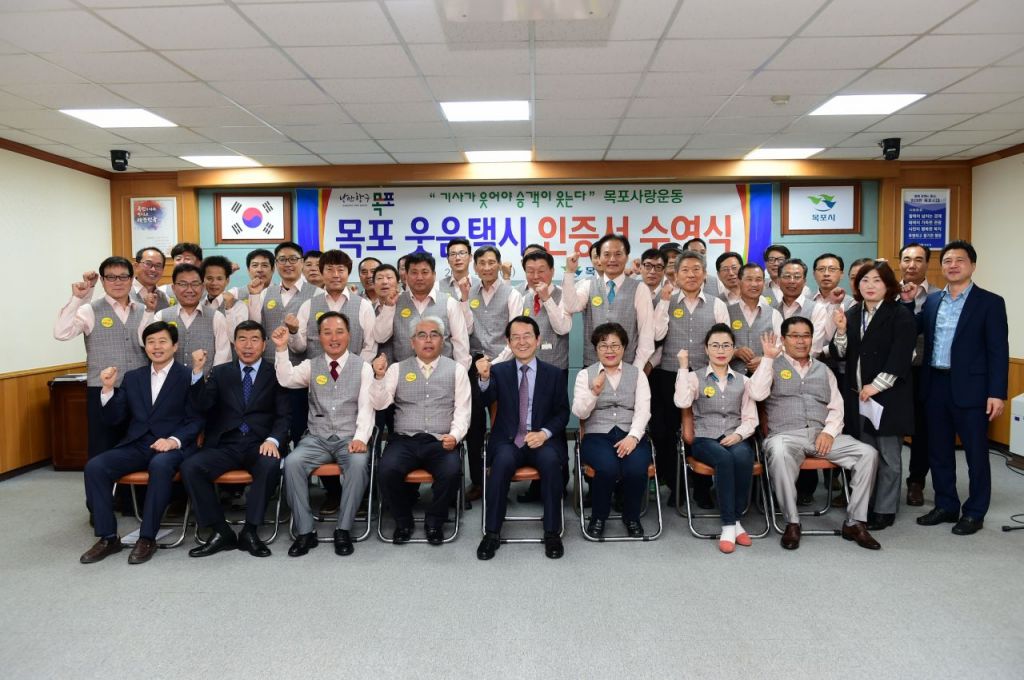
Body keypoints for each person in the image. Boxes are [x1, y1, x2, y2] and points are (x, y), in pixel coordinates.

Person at [749, 318, 881, 551]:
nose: (801, 341)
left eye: (806, 335)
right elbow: (757, 394)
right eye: (795, 336)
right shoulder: (771, 364)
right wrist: (768, 358)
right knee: (778, 452)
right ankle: (792, 522)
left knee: (868, 453)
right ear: (783, 339)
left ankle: (855, 522)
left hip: (823, 435)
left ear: (812, 339)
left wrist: (829, 432)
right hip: (786, 435)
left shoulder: (824, 370)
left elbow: (836, 407)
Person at [79, 321, 203, 565]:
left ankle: (147, 538)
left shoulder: (189, 376)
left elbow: (197, 419)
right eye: (151, 342)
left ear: (175, 346)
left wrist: (173, 441)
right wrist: (107, 389)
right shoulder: (133, 377)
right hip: (138, 444)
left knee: (160, 465)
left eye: (162, 341)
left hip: (172, 445)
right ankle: (108, 537)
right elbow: (114, 419)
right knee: (95, 466)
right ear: (144, 347)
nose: (156, 347)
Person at [909, 240, 1008, 535]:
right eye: (947, 261)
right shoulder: (932, 301)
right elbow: (911, 330)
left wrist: (997, 392)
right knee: (938, 451)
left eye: (959, 260)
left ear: (972, 266)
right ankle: (946, 505)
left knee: (976, 455)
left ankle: (975, 512)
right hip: (935, 384)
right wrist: (906, 301)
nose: (953, 265)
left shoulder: (990, 302)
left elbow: (998, 351)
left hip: (973, 390)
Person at [180, 321, 291, 558]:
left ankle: (250, 531)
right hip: (226, 444)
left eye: (254, 339)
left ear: (264, 344)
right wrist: (197, 372)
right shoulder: (221, 372)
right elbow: (202, 405)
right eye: (242, 339)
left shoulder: (276, 372)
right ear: (234, 344)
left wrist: (273, 440)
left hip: (260, 443)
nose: (248, 345)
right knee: (190, 466)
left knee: (269, 464)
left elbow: (284, 415)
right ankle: (221, 531)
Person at [273, 312, 375, 557]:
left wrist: (361, 438)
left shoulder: (363, 367)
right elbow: (286, 379)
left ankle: (344, 529)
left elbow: (367, 406)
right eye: (327, 333)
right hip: (316, 438)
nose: (334, 338)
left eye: (339, 332)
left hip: (350, 436)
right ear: (319, 337)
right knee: (293, 463)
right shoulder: (311, 365)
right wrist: (281, 348)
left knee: (358, 464)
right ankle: (306, 531)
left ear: (349, 335)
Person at [369, 317, 471, 545]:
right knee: (386, 470)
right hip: (404, 440)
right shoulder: (396, 369)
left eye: (434, 335)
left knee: (452, 471)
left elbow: (463, 410)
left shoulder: (456, 370)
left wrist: (455, 436)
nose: (428, 340)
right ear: (412, 342)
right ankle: (403, 521)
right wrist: (379, 377)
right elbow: (379, 403)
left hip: (440, 440)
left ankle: (435, 522)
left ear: (443, 341)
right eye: (421, 335)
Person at [475, 316, 569, 560]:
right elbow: (485, 400)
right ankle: (491, 533)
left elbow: (562, 413)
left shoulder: (554, 374)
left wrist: (544, 433)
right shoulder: (498, 371)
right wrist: (484, 379)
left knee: (551, 463)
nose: (522, 342)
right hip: (509, 440)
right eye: (515, 337)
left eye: (527, 336)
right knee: (501, 463)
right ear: (508, 342)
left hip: (541, 440)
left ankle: (552, 533)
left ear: (537, 340)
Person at [831, 261, 916, 530]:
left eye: (877, 280)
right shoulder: (853, 312)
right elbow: (840, 354)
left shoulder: (900, 314)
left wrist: (875, 387)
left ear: (888, 285)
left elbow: (901, 357)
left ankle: (885, 509)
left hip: (887, 397)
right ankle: (865, 504)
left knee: (889, 456)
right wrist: (841, 331)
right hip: (858, 397)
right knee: (866, 455)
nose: (870, 285)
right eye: (865, 280)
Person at [651, 249, 728, 507]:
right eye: (685, 270)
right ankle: (676, 486)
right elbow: (656, 334)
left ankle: (702, 488)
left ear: (705, 274)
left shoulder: (717, 304)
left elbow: (724, 341)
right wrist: (664, 303)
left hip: (705, 376)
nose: (691, 274)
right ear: (675, 274)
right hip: (669, 375)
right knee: (665, 432)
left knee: (702, 431)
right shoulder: (666, 299)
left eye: (696, 269)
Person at [674, 324, 758, 553]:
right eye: (715, 345)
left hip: (735, 435)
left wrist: (738, 434)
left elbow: (750, 418)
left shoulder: (744, 380)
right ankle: (729, 525)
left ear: (733, 349)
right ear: (706, 349)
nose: (721, 350)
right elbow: (682, 402)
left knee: (743, 457)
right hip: (704, 438)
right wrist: (683, 367)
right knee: (724, 459)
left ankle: (735, 520)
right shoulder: (694, 377)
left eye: (726, 345)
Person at [54, 257, 148, 459]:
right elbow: (61, 333)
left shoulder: (144, 310)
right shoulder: (89, 309)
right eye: (111, 277)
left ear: (132, 279)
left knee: (139, 448)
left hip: (140, 389)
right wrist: (78, 298)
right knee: (103, 448)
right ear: (103, 281)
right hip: (102, 389)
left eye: (123, 276)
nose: (117, 282)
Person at [572, 322, 653, 538]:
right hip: (597, 435)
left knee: (636, 468)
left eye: (615, 345)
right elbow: (579, 412)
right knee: (607, 468)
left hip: (630, 433)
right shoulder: (585, 375)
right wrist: (594, 392)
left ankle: (632, 517)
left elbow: (643, 410)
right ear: (596, 349)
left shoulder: (638, 374)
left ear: (624, 347)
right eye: (604, 346)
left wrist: (633, 437)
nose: (610, 351)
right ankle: (598, 517)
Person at [464, 246, 524, 501]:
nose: (487, 267)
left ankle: (502, 478)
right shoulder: (468, 292)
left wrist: (495, 364)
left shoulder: (512, 294)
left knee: (503, 425)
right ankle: (478, 481)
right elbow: (465, 329)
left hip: (504, 364)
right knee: (474, 427)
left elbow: (516, 335)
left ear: (499, 265)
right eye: (482, 263)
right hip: (474, 364)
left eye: (491, 262)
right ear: (475, 266)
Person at [562, 234, 657, 369]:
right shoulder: (588, 285)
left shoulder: (640, 289)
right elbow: (571, 307)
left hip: (627, 366)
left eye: (618, 254)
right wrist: (569, 272)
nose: (612, 259)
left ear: (627, 257)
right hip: (592, 365)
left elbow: (646, 334)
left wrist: (636, 370)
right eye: (606, 254)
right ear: (599, 258)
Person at [372, 251, 471, 369]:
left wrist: (459, 374)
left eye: (425, 272)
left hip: (442, 373)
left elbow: (461, 345)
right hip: (403, 373)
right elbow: (380, 337)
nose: (419, 277)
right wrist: (388, 307)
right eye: (414, 272)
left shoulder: (450, 303)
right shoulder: (395, 301)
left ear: (434, 275)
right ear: (406, 276)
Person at [285, 249, 377, 363]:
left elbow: (370, 347)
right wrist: (293, 331)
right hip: (316, 372)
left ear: (348, 273)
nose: (335, 275)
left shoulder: (364, 306)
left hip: (354, 371)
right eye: (330, 270)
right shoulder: (308, 305)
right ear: (322, 273)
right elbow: (299, 348)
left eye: (341, 270)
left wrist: (357, 368)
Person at [898, 243, 934, 506]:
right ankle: (883, 481)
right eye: (907, 259)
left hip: (924, 372)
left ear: (927, 264)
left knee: (923, 431)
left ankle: (916, 482)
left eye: (918, 259)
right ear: (900, 262)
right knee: (888, 430)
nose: (912, 264)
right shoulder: (887, 292)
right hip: (892, 374)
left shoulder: (939, 297)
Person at [151, 263, 231, 375]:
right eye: (183, 284)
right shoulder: (161, 316)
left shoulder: (217, 317)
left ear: (203, 287)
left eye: (195, 284)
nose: (189, 290)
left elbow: (223, 357)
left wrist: (213, 382)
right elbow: (155, 351)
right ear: (173, 288)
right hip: (169, 382)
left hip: (206, 383)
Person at [247, 241, 318, 364]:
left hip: (300, 367)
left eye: (293, 259)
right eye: (282, 259)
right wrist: (254, 295)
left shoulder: (317, 294)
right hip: (268, 363)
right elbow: (255, 325)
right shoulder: (265, 292)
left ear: (302, 262)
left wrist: (293, 331)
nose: (288, 264)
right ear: (276, 263)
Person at [727, 263, 782, 375]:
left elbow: (782, 348)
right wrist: (735, 352)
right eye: (749, 279)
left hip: (765, 377)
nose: (754, 284)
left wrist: (766, 360)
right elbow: (715, 346)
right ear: (739, 282)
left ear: (764, 283)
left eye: (758, 280)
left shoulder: (774, 314)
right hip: (732, 378)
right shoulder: (726, 312)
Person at [131, 246, 171, 311]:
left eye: (158, 265)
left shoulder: (165, 298)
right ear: (136, 266)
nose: (153, 269)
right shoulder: (123, 293)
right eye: (148, 264)